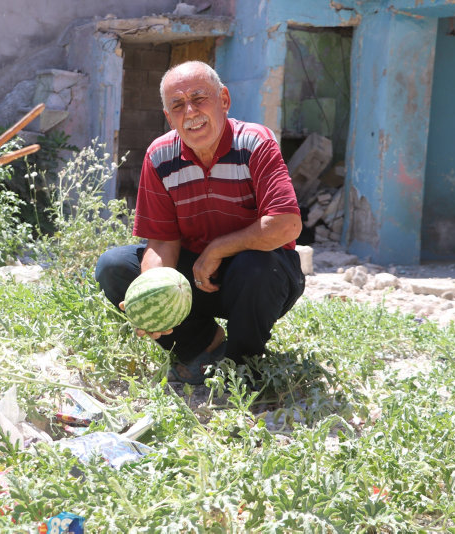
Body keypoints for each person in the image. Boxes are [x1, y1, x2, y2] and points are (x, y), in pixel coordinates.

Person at [95, 60, 305, 385]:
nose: (190, 112)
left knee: (256, 266)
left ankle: (241, 369)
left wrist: (220, 248)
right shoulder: (159, 156)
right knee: (113, 266)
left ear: (224, 99)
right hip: (194, 279)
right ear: (169, 117)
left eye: (199, 98)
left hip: (261, 278)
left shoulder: (255, 144)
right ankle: (204, 347)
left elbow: (286, 225)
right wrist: (153, 295)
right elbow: (162, 242)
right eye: (177, 105)